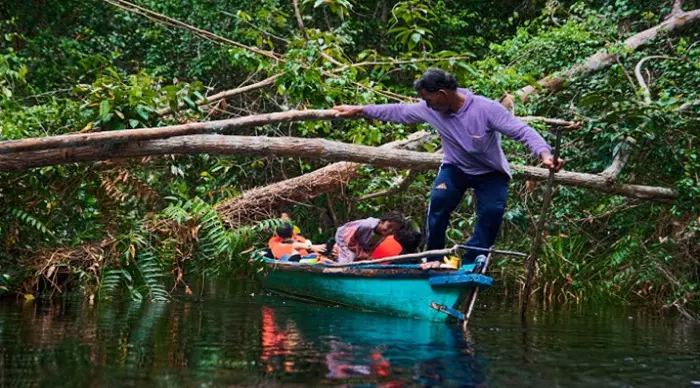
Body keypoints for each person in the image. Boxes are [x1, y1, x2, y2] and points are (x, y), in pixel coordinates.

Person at [333, 68, 564, 268]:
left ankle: (474, 260)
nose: (427, 104)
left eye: (429, 99)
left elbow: (521, 131)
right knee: (439, 206)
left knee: (491, 215)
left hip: (490, 173)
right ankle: (433, 257)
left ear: (442, 94)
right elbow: (399, 112)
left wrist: (544, 154)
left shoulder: (486, 109)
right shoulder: (431, 110)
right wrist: (361, 109)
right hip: (456, 168)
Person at [334, 213, 405, 263]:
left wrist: (367, 257)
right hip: (344, 236)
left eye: (394, 230)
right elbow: (348, 238)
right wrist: (359, 254)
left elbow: (370, 248)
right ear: (381, 221)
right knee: (348, 258)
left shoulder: (383, 234)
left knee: (368, 261)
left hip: (357, 241)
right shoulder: (367, 225)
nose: (390, 231)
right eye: (389, 226)